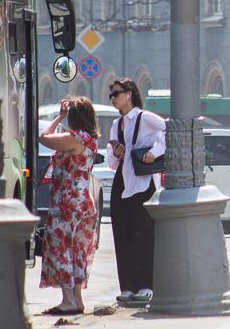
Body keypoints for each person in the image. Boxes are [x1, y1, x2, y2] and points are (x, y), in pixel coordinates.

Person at [37, 96, 101, 314]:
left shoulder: (75, 138)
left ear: (73, 117)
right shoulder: (90, 139)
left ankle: (68, 301)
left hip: (68, 200)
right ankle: (77, 300)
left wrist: (59, 117)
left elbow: (43, 137)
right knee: (77, 250)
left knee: (60, 247)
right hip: (84, 200)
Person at [105, 79, 165, 305]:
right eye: (111, 95)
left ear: (129, 94)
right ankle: (127, 286)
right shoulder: (116, 124)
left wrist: (156, 151)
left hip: (142, 183)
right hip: (122, 182)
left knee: (143, 235)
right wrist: (117, 153)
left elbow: (169, 130)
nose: (113, 98)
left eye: (117, 93)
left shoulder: (145, 117)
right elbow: (112, 162)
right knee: (122, 235)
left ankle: (146, 285)